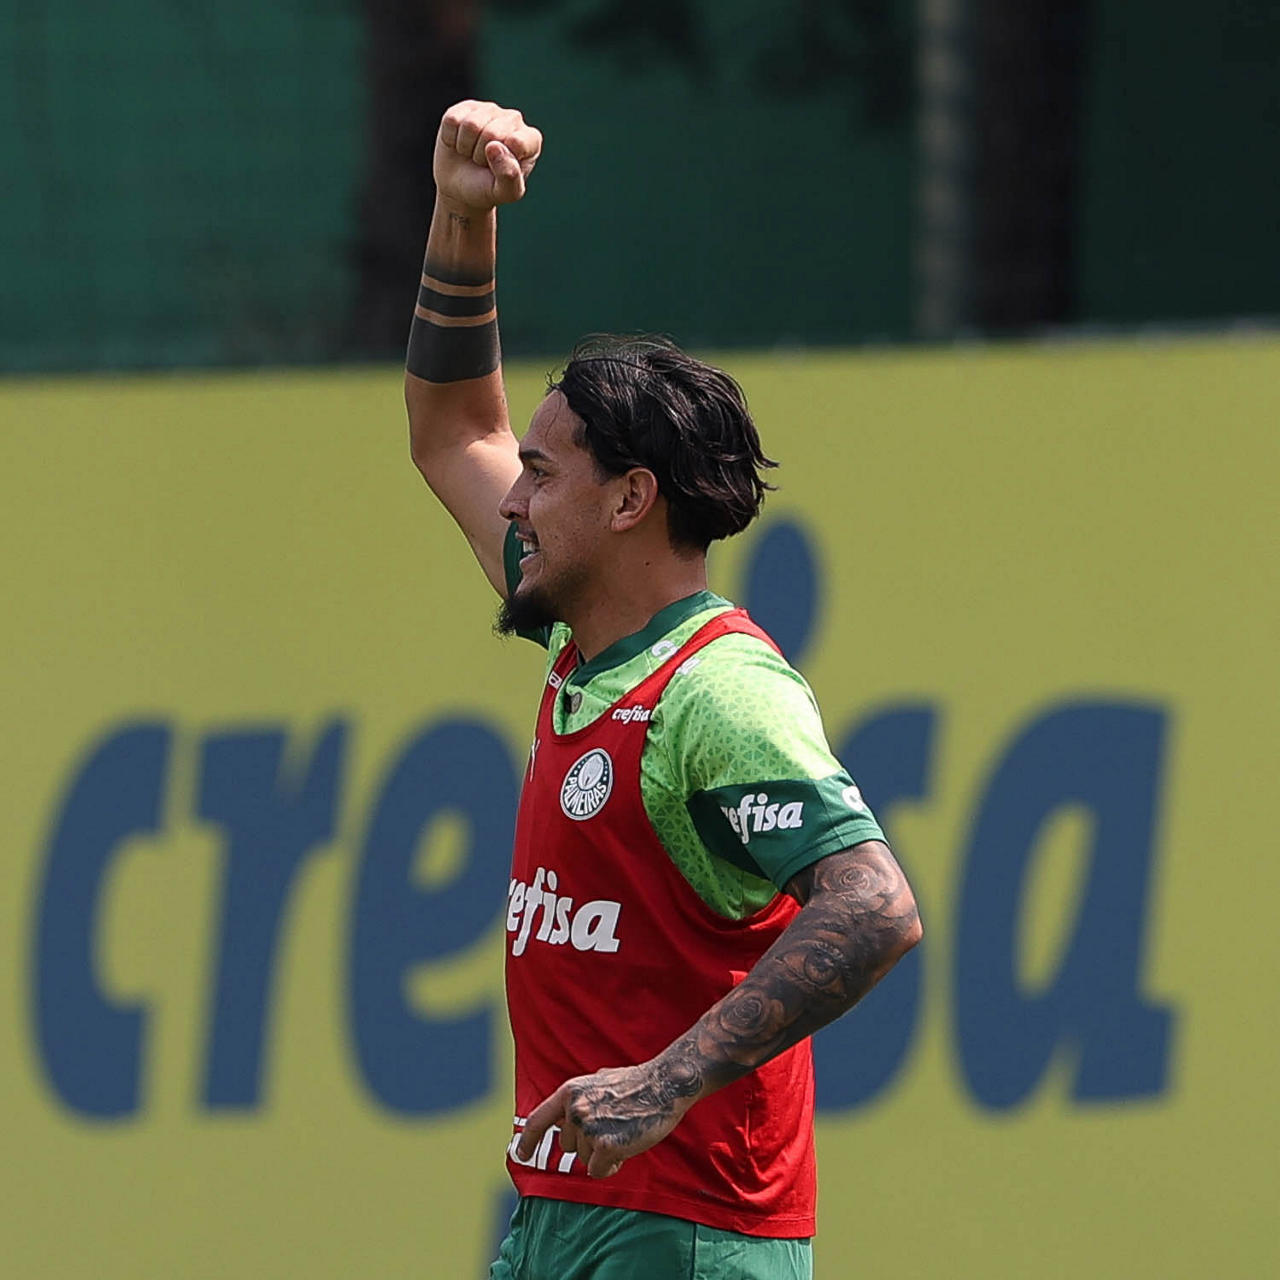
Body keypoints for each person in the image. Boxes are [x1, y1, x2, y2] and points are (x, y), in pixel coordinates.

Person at [405, 100, 922, 1280]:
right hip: (565, 1210)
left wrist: (666, 1079)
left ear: (630, 500)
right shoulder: (581, 634)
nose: (512, 501)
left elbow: (873, 905)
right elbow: (449, 428)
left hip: (685, 1229)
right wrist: (459, 214)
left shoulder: (714, 689)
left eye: (541, 475)